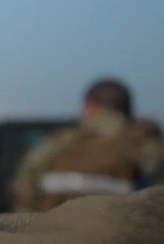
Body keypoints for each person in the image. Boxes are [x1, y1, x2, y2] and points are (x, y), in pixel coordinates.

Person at [11, 78, 149, 212]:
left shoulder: (57, 144)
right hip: (125, 233)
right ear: (129, 110)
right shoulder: (145, 145)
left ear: (89, 106)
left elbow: (24, 192)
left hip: (55, 232)